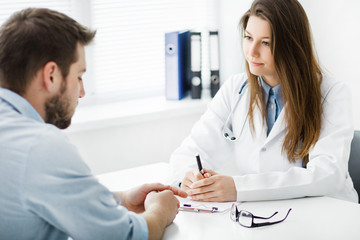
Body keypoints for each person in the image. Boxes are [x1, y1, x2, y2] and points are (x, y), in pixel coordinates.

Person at [0, 8, 186, 240]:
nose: (83, 92)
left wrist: (123, 200)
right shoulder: (39, 146)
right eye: (79, 76)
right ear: (51, 76)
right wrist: (161, 210)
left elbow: (40, 192)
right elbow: (126, 236)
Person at [169, 0, 358, 203]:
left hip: (330, 215)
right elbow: (189, 152)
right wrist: (188, 177)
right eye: (249, 38)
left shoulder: (332, 94)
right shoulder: (236, 89)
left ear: (291, 45)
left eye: (266, 42)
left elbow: (327, 176)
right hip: (265, 215)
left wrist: (238, 187)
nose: (252, 52)